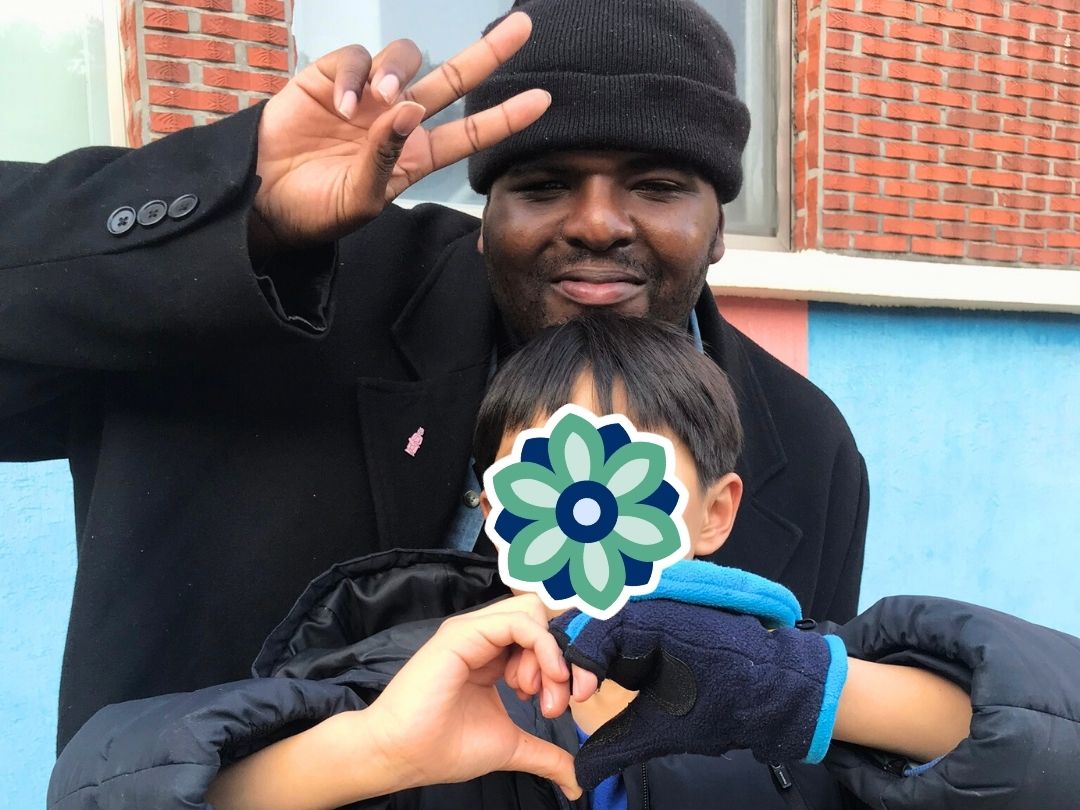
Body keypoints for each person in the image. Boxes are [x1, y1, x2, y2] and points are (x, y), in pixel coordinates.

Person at [0, 0, 866, 751]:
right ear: (486, 215)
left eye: (658, 183)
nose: (599, 222)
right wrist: (237, 208)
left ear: (719, 226)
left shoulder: (808, 448)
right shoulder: (283, 289)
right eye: (543, 183)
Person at [48, 315, 1080, 809]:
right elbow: (108, 786)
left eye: (626, 471)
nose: (585, 515)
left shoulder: (789, 686)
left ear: (718, 513)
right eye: (539, 477)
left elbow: (1039, 754)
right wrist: (375, 753)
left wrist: (806, 694)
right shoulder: (399, 671)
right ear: (498, 514)